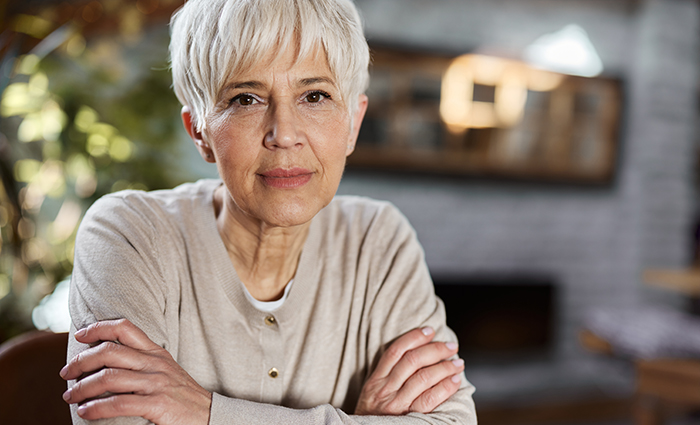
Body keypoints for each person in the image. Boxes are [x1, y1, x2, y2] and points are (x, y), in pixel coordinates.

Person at [60, 0, 477, 423]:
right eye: (246, 99)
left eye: (314, 95)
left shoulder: (378, 239)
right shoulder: (129, 236)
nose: (285, 134)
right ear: (199, 132)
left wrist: (206, 413)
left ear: (353, 123)